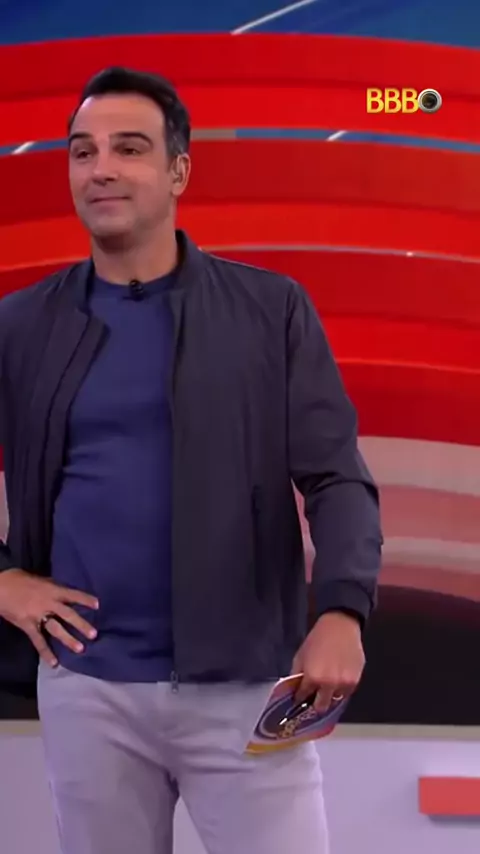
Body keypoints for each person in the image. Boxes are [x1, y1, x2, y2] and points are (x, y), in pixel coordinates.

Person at [0, 67, 382, 854]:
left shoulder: (270, 311)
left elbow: (337, 476)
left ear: (178, 170)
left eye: (128, 148)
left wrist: (342, 611)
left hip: (245, 689)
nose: (100, 169)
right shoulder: (21, 324)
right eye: (82, 152)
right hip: (89, 689)